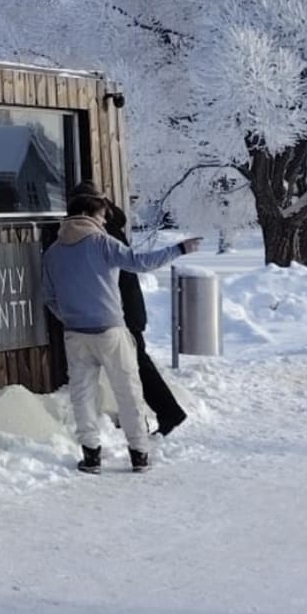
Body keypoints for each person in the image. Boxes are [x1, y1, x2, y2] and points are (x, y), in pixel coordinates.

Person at [42, 193, 201, 473]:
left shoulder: (53, 251)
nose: (105, 221)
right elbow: (139, 262)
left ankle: (91, 455)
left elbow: (48, 296)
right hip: (110, 329)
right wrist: (179, 250)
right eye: (103, 215)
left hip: (75, 333)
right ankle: (139, 454)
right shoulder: (101, 243)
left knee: (82, 395)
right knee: (128, 391)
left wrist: (68, 316)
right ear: (90, 214)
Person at [104, 201, 189, 437]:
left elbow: (135, 267)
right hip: (129, 308)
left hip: (122, 311)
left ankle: (166, 412)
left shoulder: (106, 236)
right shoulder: (115, 233)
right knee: (137, 364)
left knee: (136, 366)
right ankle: (165, 412)